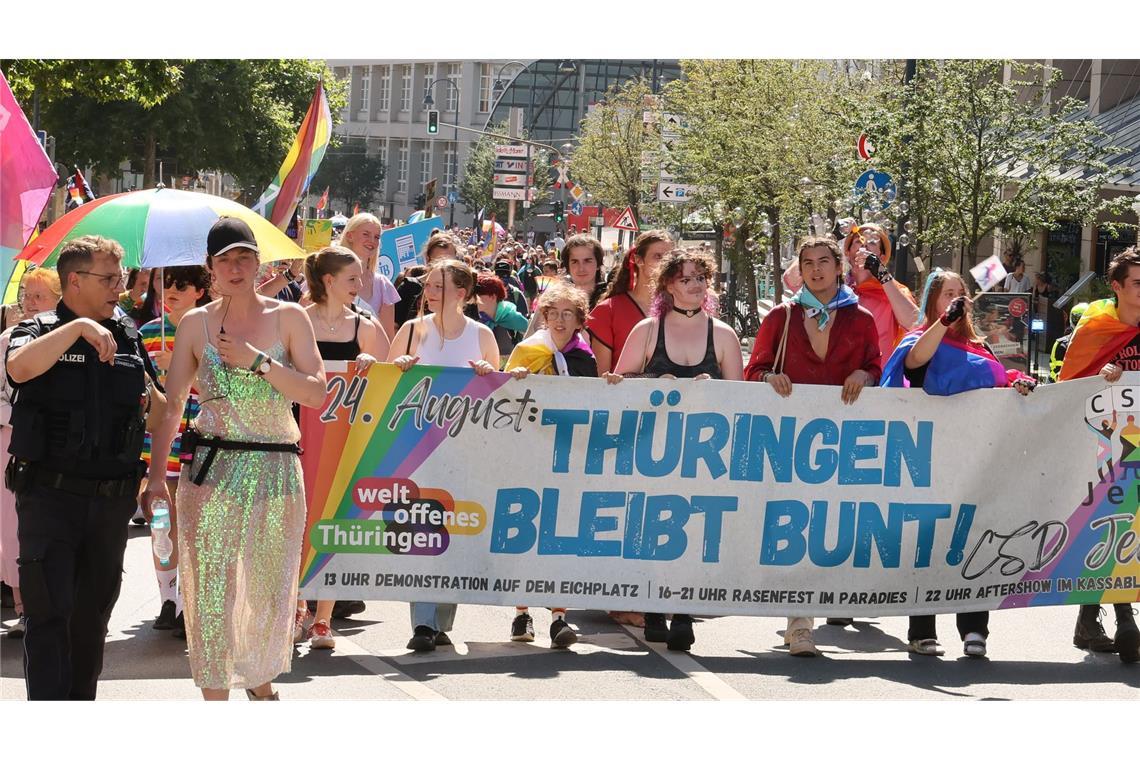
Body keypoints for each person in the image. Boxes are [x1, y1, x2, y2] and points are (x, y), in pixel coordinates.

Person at [144, 217, 326, 700]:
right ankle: (216, 704)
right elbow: (175, 401)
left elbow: (316, 394)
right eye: (224, 259)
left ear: (258, 261)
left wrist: (259, 362)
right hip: (211, 472)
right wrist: (156, 476)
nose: (235, 266)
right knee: (209, 592)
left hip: (275, 469)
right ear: (210, 268)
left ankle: (262, 689)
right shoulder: (194, 323)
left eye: (244, 256)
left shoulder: (289, 318)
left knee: (268, 590)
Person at [6, 236, 163, 699]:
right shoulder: (36, 329)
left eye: (121, 277)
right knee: (49, 615)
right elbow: (18, 369)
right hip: (50, 498)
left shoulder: (130, 334)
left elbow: (157, 413)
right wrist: (76, 331)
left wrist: (163, 389)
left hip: (111, 502)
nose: (120, 287)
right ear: (74, 281)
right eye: (109, 278)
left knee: (92, 620)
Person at [881, 269, 1036, 657]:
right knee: (928, 543)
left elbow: (997, 381)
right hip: (929, 459)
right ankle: (922, 628)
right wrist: (943, 322)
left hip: (976, 459)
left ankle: (973, 628)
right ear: (933, 300)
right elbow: (916, 364)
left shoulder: (978, 346)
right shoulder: (919, 339)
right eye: (946, 293)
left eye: (959, 293)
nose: (954, 298)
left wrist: (1017, 382)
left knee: (975, 539)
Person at [743, 236, 881, 656]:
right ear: (799, 271)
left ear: (839, 267)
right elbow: (753, 372)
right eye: (808, 263)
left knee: (832, 527)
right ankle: (800, 624)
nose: (817, 269)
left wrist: (865, 375)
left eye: (824, 262)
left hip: (842, 444)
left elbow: (878, 366)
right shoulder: (781, 317)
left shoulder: (860, 319)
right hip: (790, 443)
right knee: (796, 530)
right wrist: (769, 378)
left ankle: (826, 602)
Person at [607, 248, 743, 651]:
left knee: (695, 530)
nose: (695, 285)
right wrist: (655, 380)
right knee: (653, 527)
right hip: (653, 452)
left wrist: (712, 390)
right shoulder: (647, 330)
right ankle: (652, 606)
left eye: (701, 277)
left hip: (703, 455)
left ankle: (683, 611)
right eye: (686, 278)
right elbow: (617, 382)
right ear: (668, 284)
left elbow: (740, 399)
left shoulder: (723, 334)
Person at [387, 260, 499, 652]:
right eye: (429, 285)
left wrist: (488, 374)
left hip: (464, 448)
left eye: (439, 286)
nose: (430, 292)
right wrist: (397, 368)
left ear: (463, 294)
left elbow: (498, 401)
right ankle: (421, 623)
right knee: (421, 529)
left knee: (451, 530)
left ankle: (440, 620)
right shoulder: (410, 330)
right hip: (415, 448)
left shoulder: (482, 334)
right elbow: (384, 384)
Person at [300, 246, 390, 650]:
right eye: (352, 279)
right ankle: (296, 608)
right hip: (300, 432)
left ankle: (323, 618)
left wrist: (375, 365)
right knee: (298, 521)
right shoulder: (298, 321)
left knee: (333, 520)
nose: (360, 285)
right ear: (329, 281)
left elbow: (390, 381)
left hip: (344, 436)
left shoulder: (365, 328)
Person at [1057, 247, 1140, 664]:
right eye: (1138, 283)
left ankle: (1089, 621)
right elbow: (1067, 384)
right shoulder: (1096, 327)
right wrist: (1099, 375)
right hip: (1103, 448)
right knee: (1117, 526)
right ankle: (1126, 617)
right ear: (1117, 286)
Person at [502, 283, 596, 648]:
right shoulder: (526, 351)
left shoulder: (584, 357)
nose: (559, 320)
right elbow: (504, 398)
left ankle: (559, 616)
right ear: (543, 316)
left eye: (567, 314)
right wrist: (514, 380)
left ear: (579, 320)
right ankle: (521, 614)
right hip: (528, 452)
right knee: (525, 532)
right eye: (553, 312)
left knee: (561, 534)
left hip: (567, 456)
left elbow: (590, 404)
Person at [138, 265, 213, 640]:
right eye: (163, 283)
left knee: (196, 525)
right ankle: (169, 598)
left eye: (181, 285)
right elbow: (142, 390)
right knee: (162, 524)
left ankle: (189, 600)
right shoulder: (148, 334)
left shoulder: (214, 332)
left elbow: (222, 390)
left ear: (200, 290)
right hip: (158, 445)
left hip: (202, 442)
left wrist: (185, 373)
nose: (169, 291)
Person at [0, 267, 61, 641]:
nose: (29, 302)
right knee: (13, 531)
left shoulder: (72, 336)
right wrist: (19, 417)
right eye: (26, 294)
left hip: (57, 449)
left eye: (39, 295)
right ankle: (24, 608)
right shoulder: (7, 339)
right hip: (10, 443)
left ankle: (56, 603)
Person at [586, 229, 673, 375]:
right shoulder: (608, 310)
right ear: (639, 260)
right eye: (658, 256)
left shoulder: (680, 308)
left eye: (670, 258)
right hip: (623, 395)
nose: (665, 264)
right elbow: (602, 378)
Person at [338, 213, 401, 338]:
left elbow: (387, 337)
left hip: (370, 355)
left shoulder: (382, 285)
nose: (372, 241)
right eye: (366, 234)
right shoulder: (326, 275)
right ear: (350, 236)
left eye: (377, 237)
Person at [474, 272, 529, 361]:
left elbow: (531, 341)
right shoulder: (476, 320)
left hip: (512, 371)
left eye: (479, 295)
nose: (475, 299)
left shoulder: (513, 318)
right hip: (485, 371)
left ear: (493, 296)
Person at [561, 233, 607, 311]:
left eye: (587, 261)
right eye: (575, 261)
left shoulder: (611, 301)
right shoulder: (555, 301)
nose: (581, 268)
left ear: (598, 264)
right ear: (568, 266)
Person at [1049, 301, 1088, 382]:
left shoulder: (1100, 343)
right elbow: (1055, 369)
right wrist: (1059, 378)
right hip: (1066, 387)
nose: (1081, 324)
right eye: (1078, 319)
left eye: (1085, 320)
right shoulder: (1061, 344)